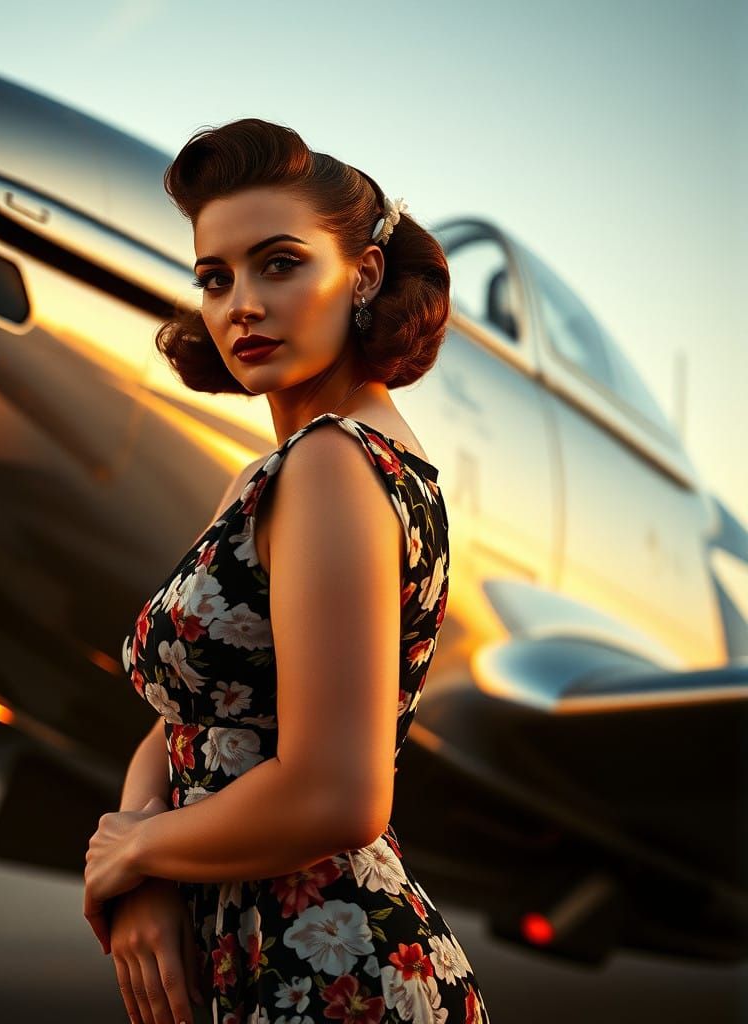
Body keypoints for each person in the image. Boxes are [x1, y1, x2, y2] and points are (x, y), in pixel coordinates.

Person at [84, 117, 489, 1024]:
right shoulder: (276, 475)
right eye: (214, 277)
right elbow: (190, 719)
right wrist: (138, 852)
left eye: (279, 263)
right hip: (253, 950)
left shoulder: (337, 465)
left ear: (366, 276)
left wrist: (140, 853)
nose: (240, 305)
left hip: (331, 975)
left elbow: (339, 794)